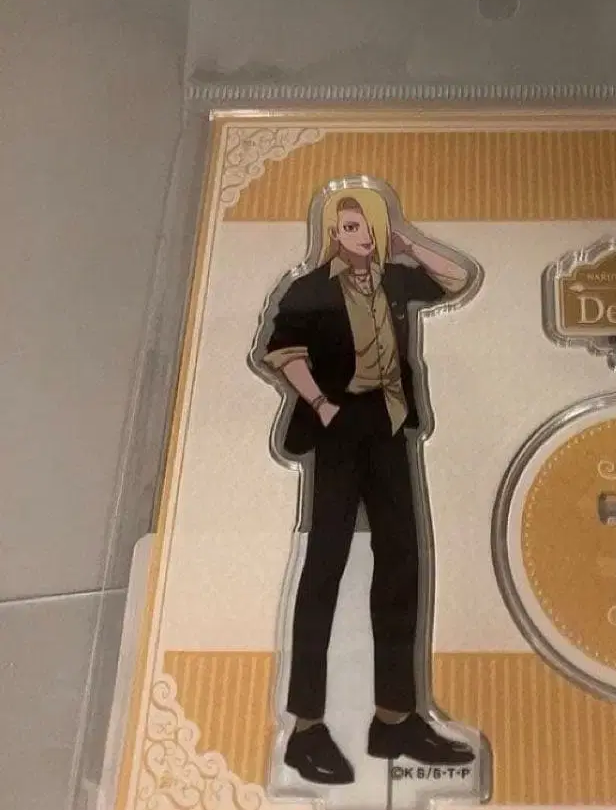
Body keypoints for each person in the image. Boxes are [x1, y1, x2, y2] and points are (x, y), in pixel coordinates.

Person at [258, 186, 476, 785]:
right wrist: (321, 405)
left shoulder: (394, 280)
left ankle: (395, 718)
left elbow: (458, 279)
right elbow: (283, 350)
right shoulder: (310, 289)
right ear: (332, 231)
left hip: (389, 424)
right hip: (338, 428)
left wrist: (410, 243)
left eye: (367, 226)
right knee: (324, 566)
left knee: (402, 562)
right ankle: (305, 727)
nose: (358, 237)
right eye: (348, 226)